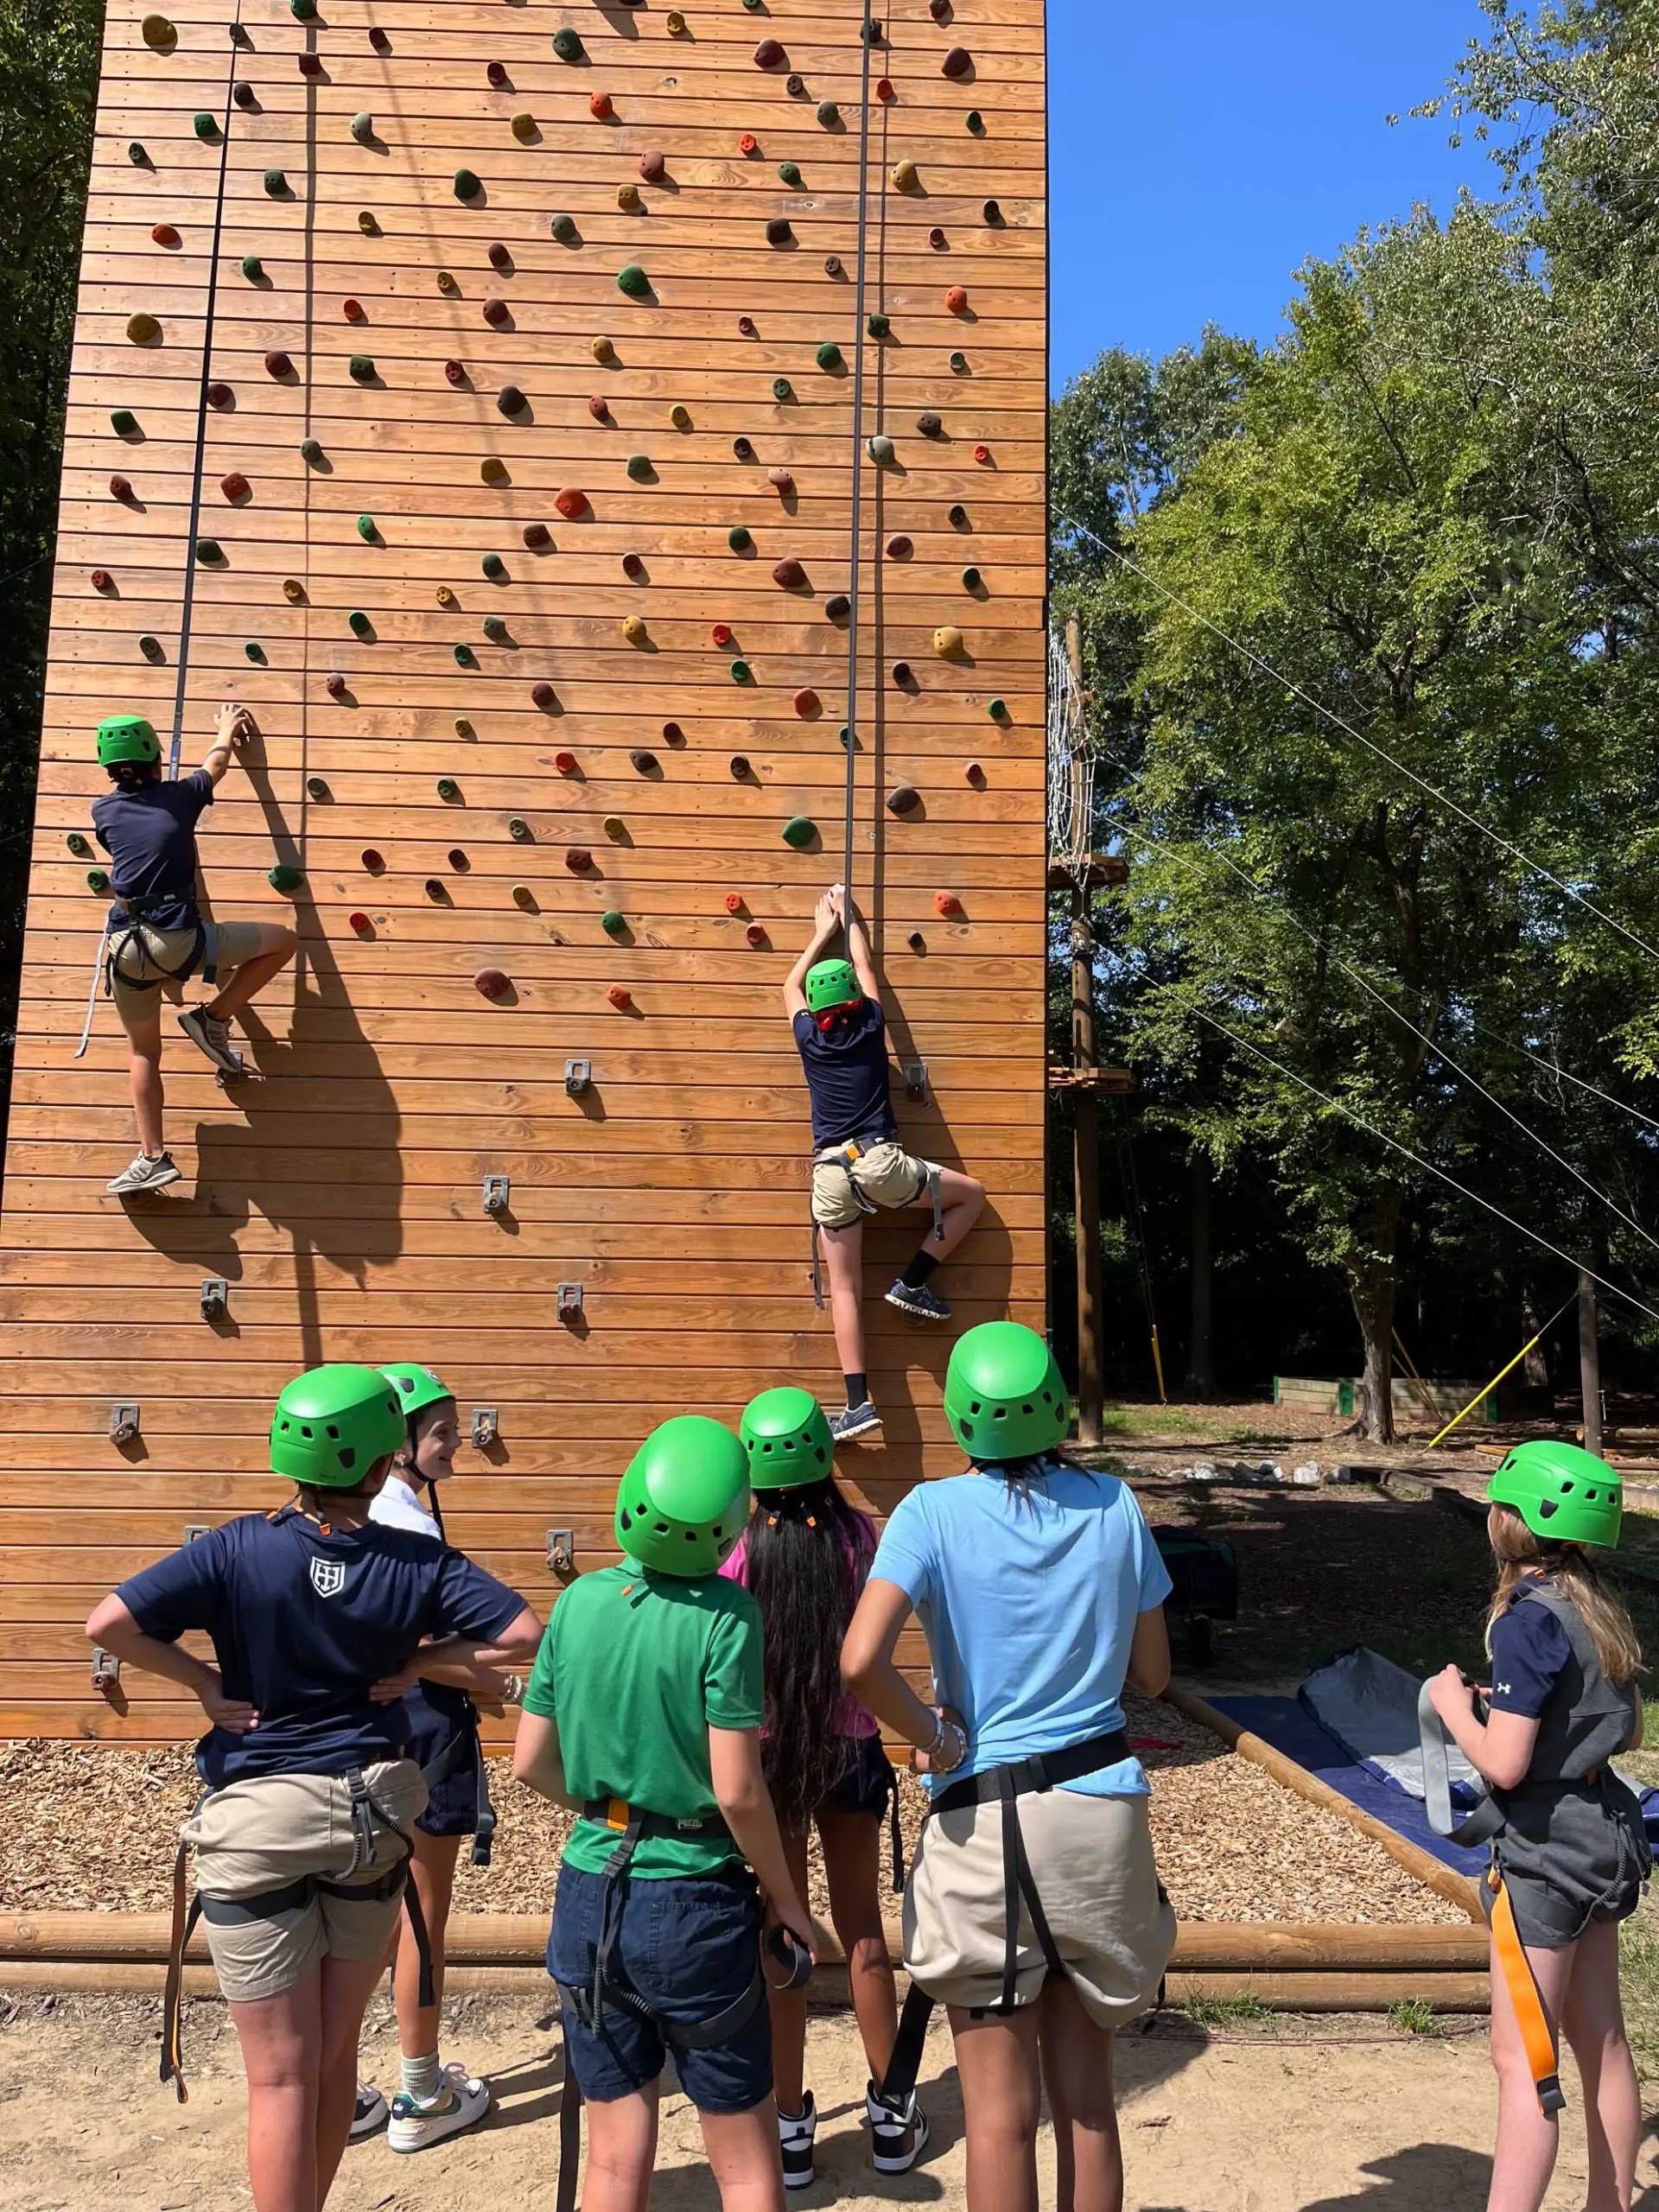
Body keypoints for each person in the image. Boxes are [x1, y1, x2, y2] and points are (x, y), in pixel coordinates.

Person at [83, 1363, 542, 2212]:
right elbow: (523, 1634)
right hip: (363, 1823)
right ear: (382, 1460)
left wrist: (200, 1683)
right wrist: (417, 1663)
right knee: (330, 2057)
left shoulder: (231, 1546)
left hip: (252, 1827)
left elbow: (108, 1622)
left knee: (281, 2079)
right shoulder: (418, 1558)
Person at [841, 1320, 1178, 2212]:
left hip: (982, 1819)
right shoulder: (1115, 1506)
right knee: (1089, 2107)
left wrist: (936, 1733)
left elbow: (860, 1659)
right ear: (1059, 1408)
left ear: (959, 1419)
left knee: (996, 2117)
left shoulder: (929, 1513)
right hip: (1098, 1814)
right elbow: (1152, 1675)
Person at [512, 1414, 818, 2212]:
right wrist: (785, 1898)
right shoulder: (726, 1616)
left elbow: (529, 1762)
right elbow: (738, 1791)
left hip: (589, 1887)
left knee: (614, 2165)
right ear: (728, 1524)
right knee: (746, 2164)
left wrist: (611, 1811)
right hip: (696, 1901)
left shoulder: (578, 1601)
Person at [1426, 1440, 1649, 2212]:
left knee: (1524, 2058)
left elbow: (1508, 1766)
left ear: (1506, 1520)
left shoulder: (1528, 1619)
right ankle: (1611, 2204)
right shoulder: (1596, 1603)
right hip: (1603, 1832)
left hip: (1546, 1855)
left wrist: (1455, 1706)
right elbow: (1623, 1728)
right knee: (1603, 2041)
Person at [722, 1386, 922, 2190]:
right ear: (822, 1453)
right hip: (849, 1752)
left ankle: (790, 2130)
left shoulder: (741, 1548)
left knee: (784, 1933)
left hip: (770, 1760)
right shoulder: (856, 1535)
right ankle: (891, 2116)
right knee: (864, 1931)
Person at [350, 1362, 537, 2153]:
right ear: (397, 1444)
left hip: (363, 1737)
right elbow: (424, 1650)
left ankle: (342, 2085)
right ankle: (421, 2094)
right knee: (423, 1918)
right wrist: (506, 1681)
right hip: (424, 1737)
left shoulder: (355, 1517)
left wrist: (484, 1681)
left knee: (368, 1917)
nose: (458, 1444)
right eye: (442, 1433)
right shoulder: (412, 1530)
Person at [785, 884, 985, 1445]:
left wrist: (819, 930)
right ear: (852, 999)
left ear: (817, 1011)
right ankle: (913, 1280)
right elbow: (868, 970)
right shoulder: (872, 1026)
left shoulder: (808, 1038)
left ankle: (857, 1405)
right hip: (880, 1165)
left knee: (845, 1290)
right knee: (972, 1196)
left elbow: (788, 985)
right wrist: (850, 921)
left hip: (830, 1175)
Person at [92, 704, 298, 1196]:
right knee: (283, 941)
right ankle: (214, 1018)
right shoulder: (180, 797)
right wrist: (225, 729)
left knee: (143, 1051)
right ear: (155, 758)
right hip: (175, 938)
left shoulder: (103, 812)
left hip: (124, 947)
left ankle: (151, 1158)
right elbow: (216, 765)